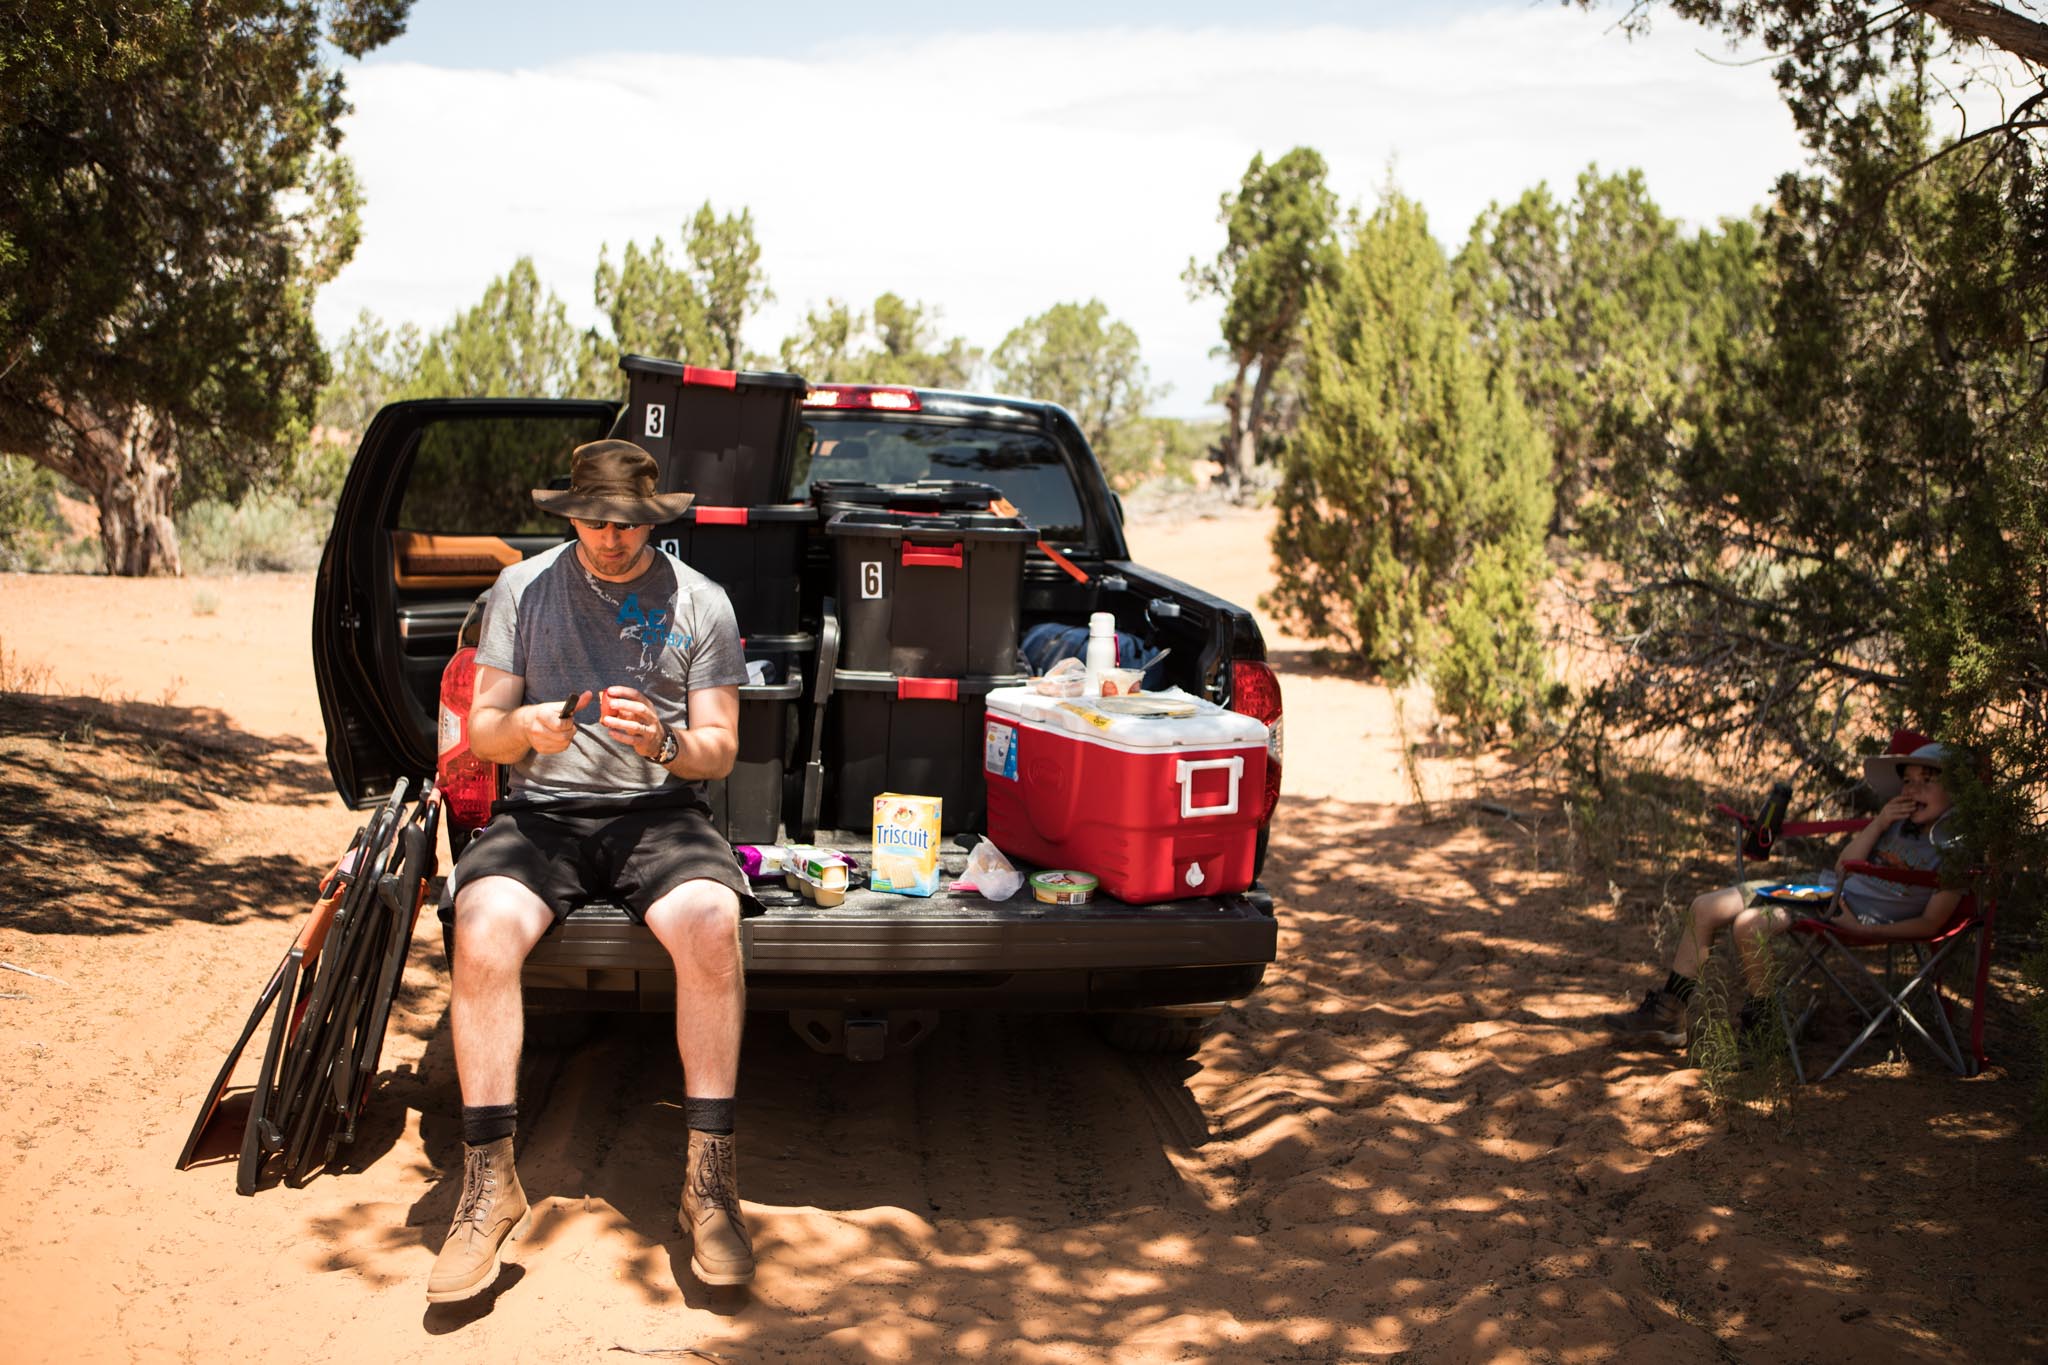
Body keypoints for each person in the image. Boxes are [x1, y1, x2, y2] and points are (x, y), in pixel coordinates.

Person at [427, 439, 759, 1303]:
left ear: (656, 520)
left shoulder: (702, 602)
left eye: (628, 524)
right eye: (595, 519)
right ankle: (488, 1181)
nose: (611, 538)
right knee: (482, 925)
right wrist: (525, 725)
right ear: (568, 512)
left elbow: (720, 749)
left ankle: (709, 1182)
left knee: (712, 925)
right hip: (542, 815)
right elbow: (482, 731)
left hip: (659, 815)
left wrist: (668, 741)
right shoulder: (520, 590)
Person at [1603, 742, 1965, 1048]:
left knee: (1749, 925)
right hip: (1823, 891)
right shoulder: (1895, 824)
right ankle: (1669, 1013)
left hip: (1853, 915)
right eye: (1908, 781)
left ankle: (1762, 1032)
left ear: (1957, 791)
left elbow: (1931, 922)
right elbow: (1844, 866)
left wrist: (1868, 932)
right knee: (1704, 907)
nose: (1913, 790)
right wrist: (1880, 822)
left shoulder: (1957, 850)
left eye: (1927, 781)